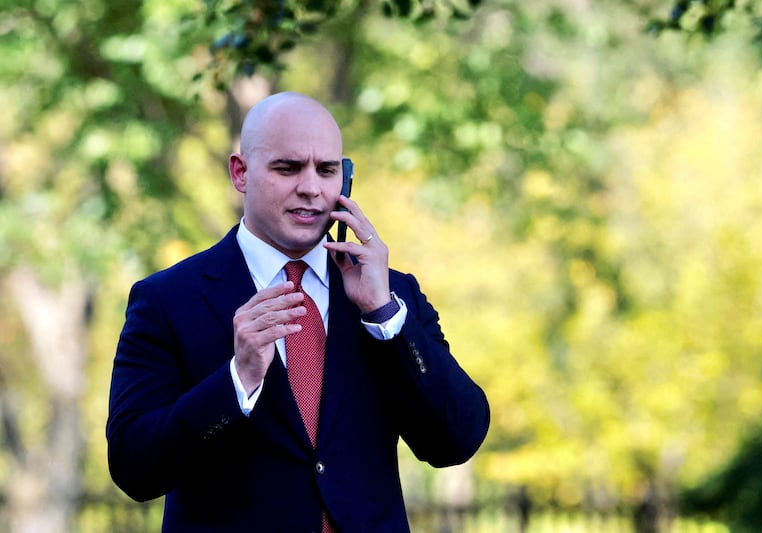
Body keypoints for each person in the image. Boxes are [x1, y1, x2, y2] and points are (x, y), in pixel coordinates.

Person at [106, 92, 490, 532]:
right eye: (288, 168)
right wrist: (238, 380)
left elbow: (457, 440)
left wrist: (385, 318)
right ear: (241, 172)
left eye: (327, 170)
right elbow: (133, 467)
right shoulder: (167, 299)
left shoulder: (391, 293)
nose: (311, 187)